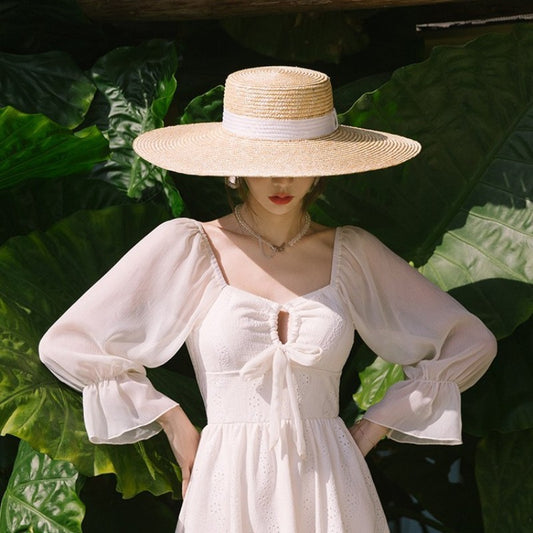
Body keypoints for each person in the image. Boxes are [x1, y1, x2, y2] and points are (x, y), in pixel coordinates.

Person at [39, 65, 497, 532]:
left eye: (299, 161)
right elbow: (70, 344)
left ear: (322, 165)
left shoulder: (352, 254)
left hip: (332, 485)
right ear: (235, 165)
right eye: (264, 160)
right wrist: (173, 421)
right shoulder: (189, 246)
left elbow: (469, 343)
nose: (282, 179)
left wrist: (373, 425)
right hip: (225, 482)